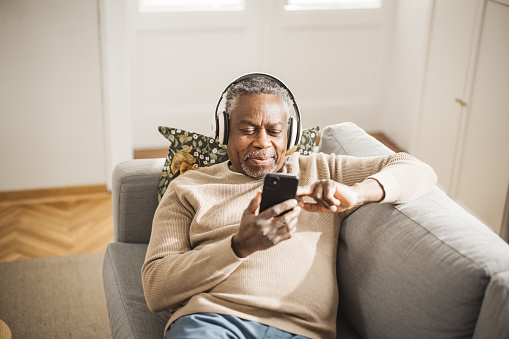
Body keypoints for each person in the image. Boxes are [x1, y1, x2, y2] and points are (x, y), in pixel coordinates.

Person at [142, 74, 437, 339]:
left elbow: (417, 170)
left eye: (274, 131)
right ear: (224, 132)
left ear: (291, 136)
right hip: (213, 321)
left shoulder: (320, 170)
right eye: (247, 130)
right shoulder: (188, 187)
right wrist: (238, 246)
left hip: (303, 330)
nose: (262, 143)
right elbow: (156, 289)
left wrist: (357, 193)